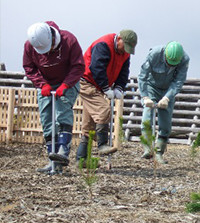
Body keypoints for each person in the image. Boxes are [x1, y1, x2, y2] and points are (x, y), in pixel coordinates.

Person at [23, 21, 85, 174]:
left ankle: (63, 151)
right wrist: (41, 84)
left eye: (48, 47)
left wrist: (66, 85)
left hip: (67, 81)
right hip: (45, 85)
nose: (46, 51)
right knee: (46, 118)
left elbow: (78, 66)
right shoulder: (30, 45)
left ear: (52, 38)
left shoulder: (69, 40)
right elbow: (29, 67)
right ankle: (52, 159)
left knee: (63, 112)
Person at [75, 29, 138, 164]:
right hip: (87, 82)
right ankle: (102, 145)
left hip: (99, 85)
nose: (125, 51)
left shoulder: (125, 53)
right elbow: (97, 68)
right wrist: (106, 88)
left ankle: (81, 159)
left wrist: (119, 87)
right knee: (103, 110)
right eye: (125, 47)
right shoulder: (103, 45)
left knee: (89, 124)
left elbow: (123, 72)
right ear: (119, 39)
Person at [138, 41, 189, 164]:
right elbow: (142, 76)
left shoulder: (184, 59)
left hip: (168, 89)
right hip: (151, 86)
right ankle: (147, 148)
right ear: (165, 54)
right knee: (147, 114)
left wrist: (167, 97)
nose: (170, 66)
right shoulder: (154, 54)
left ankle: (159, 152)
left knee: (165, 122)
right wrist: (145, 96)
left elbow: (178, 81)